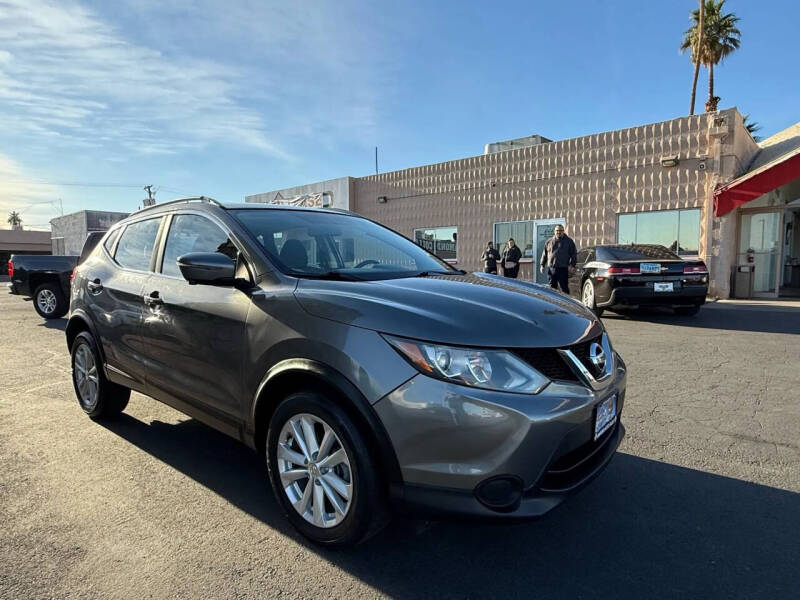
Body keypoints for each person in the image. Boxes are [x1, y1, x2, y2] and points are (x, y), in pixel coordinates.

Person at [539, 224, 577, 293]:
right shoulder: (549, 241)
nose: (558, 232)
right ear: (554, 231)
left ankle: (565, 303)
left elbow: (574, 254)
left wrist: (572, 265)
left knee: (564, 288)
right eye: (557, 230)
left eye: (560, 230)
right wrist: (542, 265)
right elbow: (544, 254)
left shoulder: (569, 241)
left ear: (563, 231)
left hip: (563, 268)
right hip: (552, 268)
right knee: (552, 288)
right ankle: (553, 302)